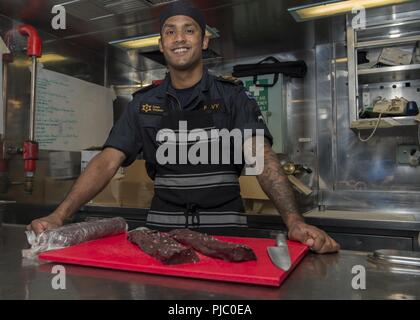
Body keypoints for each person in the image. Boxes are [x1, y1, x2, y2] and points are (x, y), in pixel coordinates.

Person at [28, 2, 339, 254]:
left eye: (189, 31)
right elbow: (106, 162)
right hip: (162, 236)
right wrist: (59, 215)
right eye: (170, 32)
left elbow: (263, 159)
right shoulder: (142, 104)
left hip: (226, 232)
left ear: (204, 40)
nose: (179, 38)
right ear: (161, 44)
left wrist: (293, 220)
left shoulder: (233, 98)